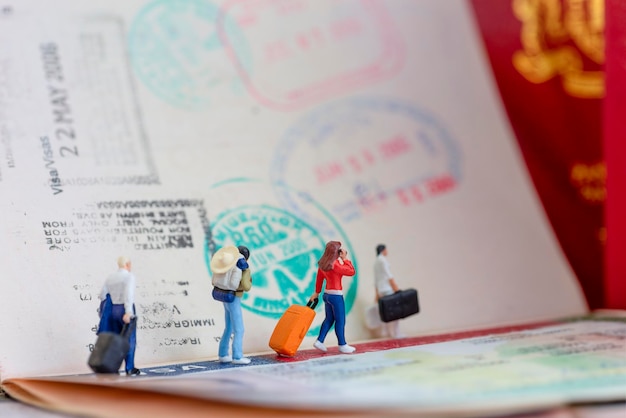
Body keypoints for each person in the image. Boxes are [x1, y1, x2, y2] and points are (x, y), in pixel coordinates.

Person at [310, 240, 356, 354]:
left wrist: (317, 292)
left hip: (327, 295)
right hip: (336, 295)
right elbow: (351, 271)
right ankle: (342, 344)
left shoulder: (323, 264)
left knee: (329, 319)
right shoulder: (335, 265)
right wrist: (345, 259)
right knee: (340, 320)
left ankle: (319, 341)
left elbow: (319, 279)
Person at [97, 256, 140, 376]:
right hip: (124, 309)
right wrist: (128, 312)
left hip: (112, 310)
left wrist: (104, 311)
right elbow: (128, 294)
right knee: (129, 339)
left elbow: (102, 295)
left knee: (113, 340)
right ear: (127, 264)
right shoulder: (128, 276)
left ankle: (111, 367)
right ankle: (129, 368)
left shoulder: (111, 277)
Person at [211, 245, 252, 365]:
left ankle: (223, 354)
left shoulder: (228, 262)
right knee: (239, 329)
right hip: (234, 297)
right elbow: (246, 286)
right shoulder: (241, 265)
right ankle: (237, 356)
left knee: (228, 327)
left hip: (224, 295)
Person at [374, 244, 404, 339]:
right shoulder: (383, 260)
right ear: (383, 250)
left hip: (381, 290)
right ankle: (396, 333)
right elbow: (389, 275)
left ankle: (387, 332)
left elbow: (376, 279)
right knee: (395, 311)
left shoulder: (376, 262)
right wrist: (395, 287)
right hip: (387, 289)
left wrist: (377, 292)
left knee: (385, 312)